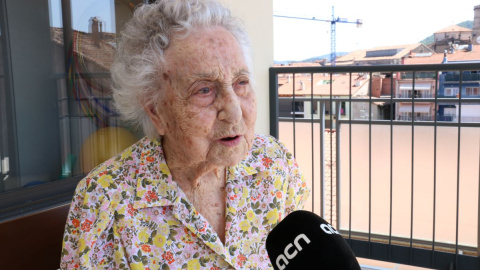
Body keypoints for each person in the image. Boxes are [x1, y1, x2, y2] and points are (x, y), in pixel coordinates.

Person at [60, 0, 309, 269]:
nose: (235, 112)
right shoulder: (103, 200)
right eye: (204, 90)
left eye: (241, 83)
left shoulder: (274, 164)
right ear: (155, 111)